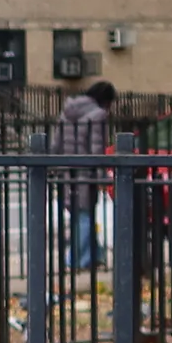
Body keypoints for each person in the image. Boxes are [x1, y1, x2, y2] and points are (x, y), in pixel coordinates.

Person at [52, 78, 116, 268]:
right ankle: (77, 260)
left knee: (78, 215)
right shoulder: (98, 115)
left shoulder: (67, 112)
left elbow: (56, 143)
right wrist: (102, 175)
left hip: (66, 171)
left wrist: (54, 166)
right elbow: (97, 148)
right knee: (85, 215)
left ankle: (95, 254)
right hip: (85, 173)